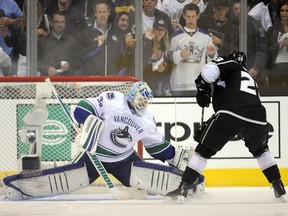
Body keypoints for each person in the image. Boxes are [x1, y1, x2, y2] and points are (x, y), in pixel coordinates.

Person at [2, 81, 205, 200]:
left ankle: (193, 183)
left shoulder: (146, 119)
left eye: (146, 101)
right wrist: (86, 124)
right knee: (69, 179)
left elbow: (157, 147)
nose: (144, 104)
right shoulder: (112, 100)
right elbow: (82, 108)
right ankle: (18, 186)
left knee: (151, 176)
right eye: (141, 100)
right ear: (132, 96)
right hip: (95, 156)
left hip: (125, 160)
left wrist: (174, 156)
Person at [166, 51, 286, 203]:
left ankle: (183, 188)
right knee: (261, 150)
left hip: (231, 114)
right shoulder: (249, 77)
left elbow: (208, 72)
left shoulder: (231, 64)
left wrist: (202, 87)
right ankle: (278, 186)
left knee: (204, 150)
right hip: (259, 119)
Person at [168, 3, 217, 96]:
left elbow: (212, 63)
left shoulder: (206, 37)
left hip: (198, 85)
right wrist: (180, 54)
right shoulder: (176, 36)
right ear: (184, 16)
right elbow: (168, 58)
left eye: (193, 16)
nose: (190, 19)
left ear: (198, 16)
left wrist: (211, 54)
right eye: (188, 16)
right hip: (178, 85)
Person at [80, 0, 126, 76]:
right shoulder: (86, 33)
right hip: (93, 81)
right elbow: (81, 56)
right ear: (95, 14)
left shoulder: (118, 33)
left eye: (104, 12)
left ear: (109, 13)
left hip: (112, 81)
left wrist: (118, 78)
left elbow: (123, 58)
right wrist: (97, 47)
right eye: (99, 12)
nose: (102, 15)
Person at [2, 0, 47, 76]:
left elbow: (51, 41)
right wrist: (6, 36)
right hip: (22, 61)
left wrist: (44, 33)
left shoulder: (44, 21)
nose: (32, 10)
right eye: (28, 8)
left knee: (38, 85)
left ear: (38, 8)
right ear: (25, 9)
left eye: (34, 7)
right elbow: (11, 44)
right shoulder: (19, 25)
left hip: (40, 60)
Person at [38, 10, 84, 76]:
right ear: (51, 23)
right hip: (47, 81)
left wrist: (69, 65)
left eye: (62, 22)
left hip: (67, 82)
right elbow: (35, 62)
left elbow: (79, 61)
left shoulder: (72, 41)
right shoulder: (42, 41)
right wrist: (47, 68)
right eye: (57, 22)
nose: (60, 24)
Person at [143, 18, 172, 96]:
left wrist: (165, 67)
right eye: (158, 29)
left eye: (163, 30)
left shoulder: (166, 45)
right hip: (146, 82)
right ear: (153, 29)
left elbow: (170, 65)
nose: (160, 32)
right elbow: (140, 60)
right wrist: (146, 40)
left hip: (159, 85)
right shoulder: (147, 40)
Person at [265, 0, 288, 95]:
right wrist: (280, 45)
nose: (284, 13)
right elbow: (267, 50)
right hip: (276, 67)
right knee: (276, 94)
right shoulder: (272, 29)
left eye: (287, 11)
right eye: (282, 10)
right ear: (279, 12)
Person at [0, 0, 23, 76]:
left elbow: (22, 19)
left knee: (8, 82)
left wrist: (11, 21)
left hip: (8, 50)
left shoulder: (10, 2)